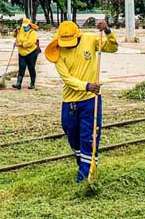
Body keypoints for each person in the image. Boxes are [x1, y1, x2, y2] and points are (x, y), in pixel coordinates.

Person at [45, 18, 118, 182]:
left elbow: (113, 47)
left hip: (90, 100)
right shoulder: (58, 52)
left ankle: (86, 175)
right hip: (70, 101)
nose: (69, 45)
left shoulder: (91, 39)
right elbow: (67, 79)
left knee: (89, 136)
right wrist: (86, 85)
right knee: (71, 134)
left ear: (78, 35)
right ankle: (83, 163)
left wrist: (107, 31)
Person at [12, 18, 40, 90]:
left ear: (29, 25)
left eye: (26, 26)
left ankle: (32, 84)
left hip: (31, 52)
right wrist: (15, 31)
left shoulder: (33, 33)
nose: (25, 27)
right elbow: (14, 36)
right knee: (21, 68)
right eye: (23, 26)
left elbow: (30, 43)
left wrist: (21, 44)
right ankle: (18, 84)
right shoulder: (20, 30)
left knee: (31, 68)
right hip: (22, 53)